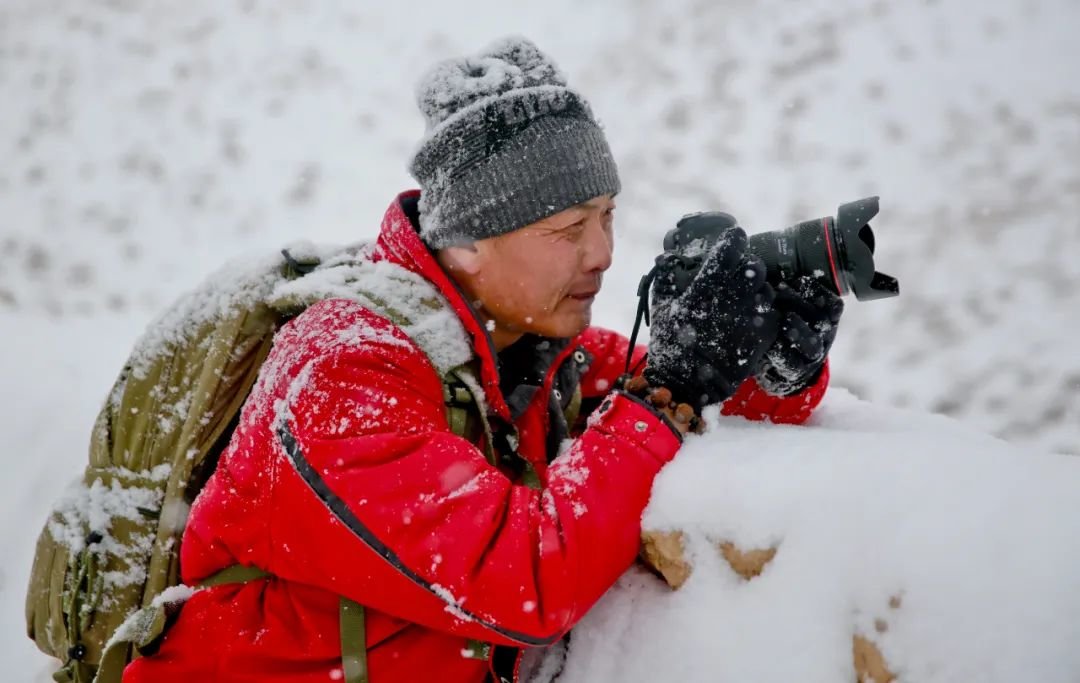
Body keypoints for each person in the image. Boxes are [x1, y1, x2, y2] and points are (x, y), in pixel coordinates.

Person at [122, 36, 841, 683]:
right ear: (468, 241)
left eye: (607, 215)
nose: (603, 253)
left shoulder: (525, 345)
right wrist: (667, 388)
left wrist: (777, 358)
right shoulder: (342, 375)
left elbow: (691, 391)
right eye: (567, 229)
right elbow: (529, 577)